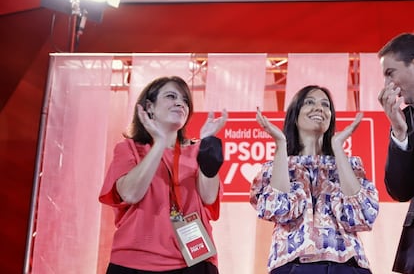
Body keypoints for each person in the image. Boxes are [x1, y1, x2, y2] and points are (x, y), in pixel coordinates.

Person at [99, 76, 228, 274]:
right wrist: (159, 143)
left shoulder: (196, 151)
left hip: (193, 262)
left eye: (185, 100)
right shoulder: (129, 149)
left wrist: (207, 144)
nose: (180, 103)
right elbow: (130, 194)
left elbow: (209, 196)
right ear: (149, 107)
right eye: (171, 96)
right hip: (135, 261)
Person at [250, 85, 379, 274]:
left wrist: (337, 147)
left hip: (348, 266)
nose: (319, 108)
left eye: (325, 105)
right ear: (295, 115)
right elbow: (278, 210)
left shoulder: (350, 165)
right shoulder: (276, 166)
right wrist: (280, 143)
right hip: (293, 266)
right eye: (309, 102)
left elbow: (362, 216)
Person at [377, 32, 414, 274]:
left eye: (390, 73)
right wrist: (399, 133)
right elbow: (400, 191)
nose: (387, 86)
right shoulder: (407, 119)